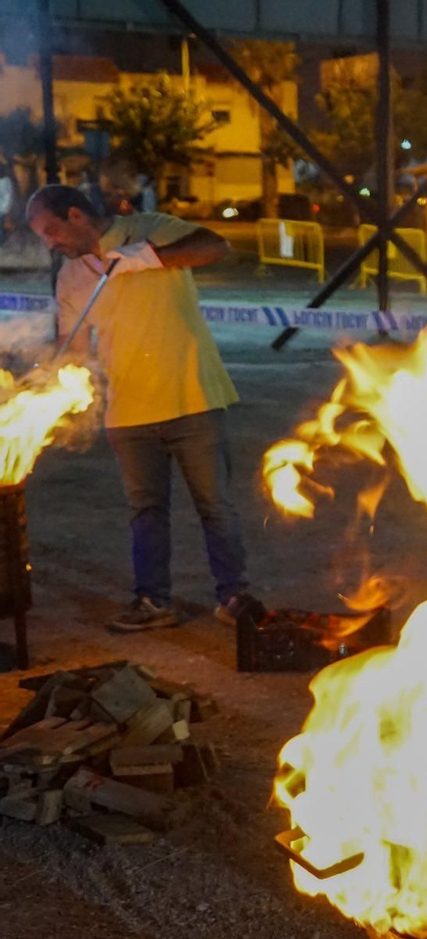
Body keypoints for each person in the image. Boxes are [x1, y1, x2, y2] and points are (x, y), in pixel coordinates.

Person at [25, 184, 253, 633]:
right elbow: (72, 345)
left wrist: (147, 257)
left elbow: (214, 245)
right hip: (128, 411)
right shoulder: (71, 277)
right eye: (42, 237)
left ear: (75, 214)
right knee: (146, 510)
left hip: (193, 397)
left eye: (51, 231)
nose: (50, 243)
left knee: (215, 505)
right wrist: (49, 376)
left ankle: (234, 595)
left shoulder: (149, 228)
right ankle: (153, 600)